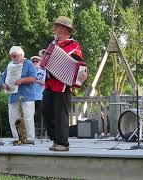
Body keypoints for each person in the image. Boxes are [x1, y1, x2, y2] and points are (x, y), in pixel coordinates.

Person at [40, 16, 86, 151]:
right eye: (56, 27)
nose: (55, 29)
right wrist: (44, 57)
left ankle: (63, 143)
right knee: (45, 110)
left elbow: (80, 65)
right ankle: (55, 139)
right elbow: (47, 62)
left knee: (61, 115)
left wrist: (83, 74)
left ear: (65, 30)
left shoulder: (74, 46)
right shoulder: (53, 45)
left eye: (58, 27)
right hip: (49, 84)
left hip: (63, 85)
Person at [1, 46, 37, 144]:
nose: (13, 58)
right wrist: (3, 84)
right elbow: (2, 78)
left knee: (28, 117)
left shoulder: (29, 64)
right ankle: (17, 138)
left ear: (21, 55)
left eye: (15, 56)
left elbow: (33, 78)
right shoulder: (10, 65)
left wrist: (22, 80)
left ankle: (29, 138)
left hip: (27, 95)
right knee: (13, 117)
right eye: (11, 57)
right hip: (13, 96)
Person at [31, 56, 46, 137]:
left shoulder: (43, 71)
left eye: (37, 61)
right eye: (33, 61)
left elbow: (46, 83)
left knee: (40, 116)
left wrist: (36, 81)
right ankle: (32, 133)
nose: (35, 63)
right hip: (31, 97)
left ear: (40, 62)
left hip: (40, 96)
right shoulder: (29, 71)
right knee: (31, 115)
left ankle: (41, 133)